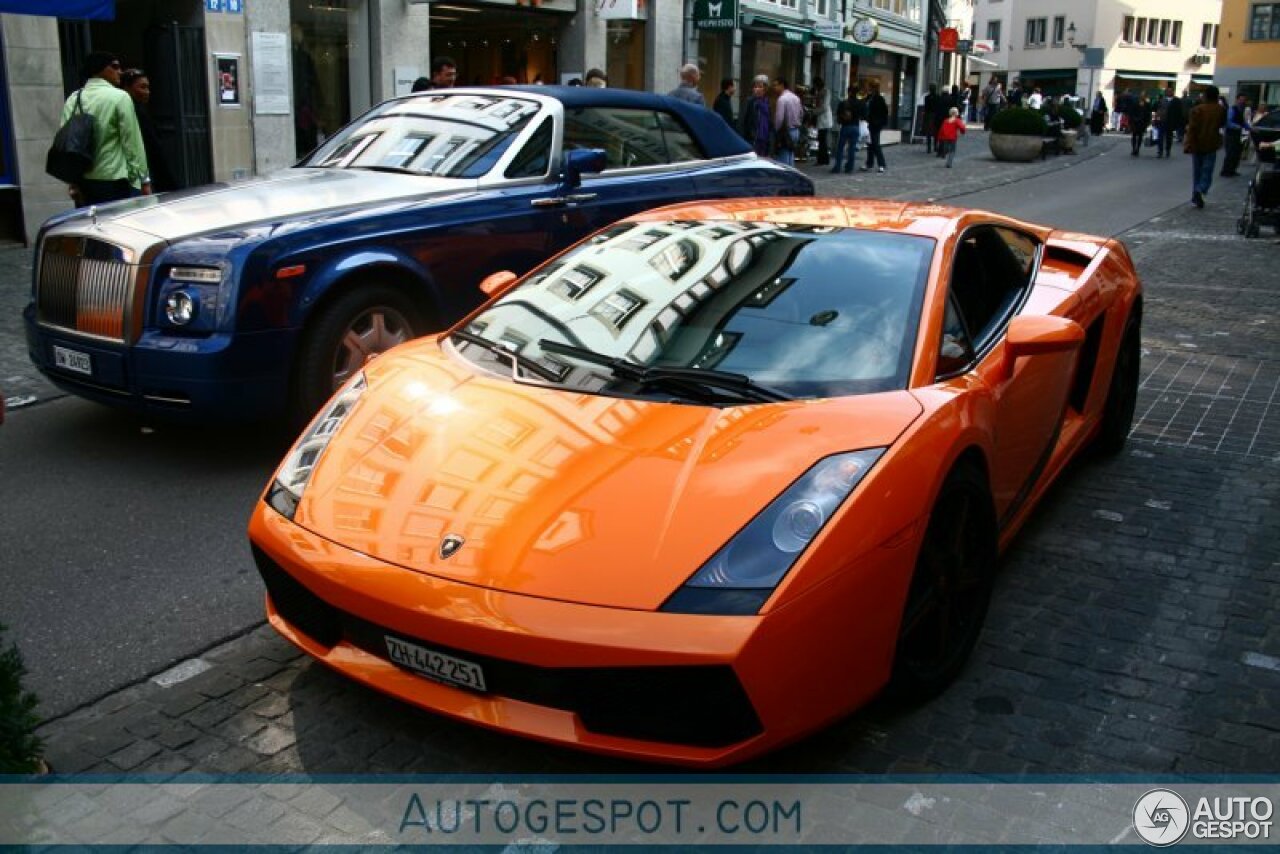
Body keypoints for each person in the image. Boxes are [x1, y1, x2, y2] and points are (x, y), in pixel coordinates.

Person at [58, 51, 150, 206]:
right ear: (99, 69)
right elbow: (132, 143)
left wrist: (73, 181)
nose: (120, 71)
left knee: (92, 227)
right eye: (115, 66)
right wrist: (143, 180)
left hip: (84, 182)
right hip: (114, 180)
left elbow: (66, 145)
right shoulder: (120, 97)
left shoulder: (74, 98)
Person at [119, 68, 178, 192]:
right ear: (127, 88)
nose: (147, 92)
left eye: (147, 87)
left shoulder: (141, 110)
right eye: (142, 87)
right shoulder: (132, 111)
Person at [1184, 85, 1227, 208]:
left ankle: (1196, 194)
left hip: (1197, 143)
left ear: (1206, 96)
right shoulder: (1220, 110)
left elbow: (1192, 129)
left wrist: (1188, 143)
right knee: (1207, 171)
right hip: (1212, 143)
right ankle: (1200, 190)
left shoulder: (1197, 109)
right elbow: (1222, 124)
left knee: (1197, 171)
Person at [772, 76, 802, 166]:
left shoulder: (782, 99)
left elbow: (779, 118)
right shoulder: (796, 98)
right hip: (795, 130)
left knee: (783, 159)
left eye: (776, 85)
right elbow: (801, 113)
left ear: (782, 85)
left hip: (786, 132)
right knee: (790, 156)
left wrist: (776, 131)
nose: (774, 88)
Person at [832, 84, 862, 174]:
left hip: (846, 127)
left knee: (840, 148)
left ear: (849, 92)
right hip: (855, 126)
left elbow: (838, 114)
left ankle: (837, 167)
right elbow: (864, 115)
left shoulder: (844, 103)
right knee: (852, 148)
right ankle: (849, 167)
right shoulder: (860, 103)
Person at [741, 75, 772, 157]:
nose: (757, 89)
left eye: (760, 87)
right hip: (753, 138)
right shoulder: (750, 101)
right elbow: (743, 121)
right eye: (755, 86)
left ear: (765, 89)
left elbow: (771, 121)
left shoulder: (768, 102)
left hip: (765, 138)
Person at [862, 80, 888, 172]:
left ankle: (882, 164)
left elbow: (884, 112)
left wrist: (880, 122)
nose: (869, 89)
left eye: (871, 87)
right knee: (870, 144)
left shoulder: (879, 99)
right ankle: (869, 163)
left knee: (875, 144)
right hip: (869, 123)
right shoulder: (869, 98)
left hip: (876, 124)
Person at [1221, 93, 1250, 177]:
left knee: (1236, 153)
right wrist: (1237, 126)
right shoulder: (1232, 109)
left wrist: (1249, 128)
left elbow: (1243, 122)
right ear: (1237, 100)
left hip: (1237, 134)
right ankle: (1226, 171)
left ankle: (1232, 170)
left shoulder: (1241, 109)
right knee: (1230, 153)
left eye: (1244, 100)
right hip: (1231, 134)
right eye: (1241, 100)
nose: (1242, 102)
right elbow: (1228, 122)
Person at [1155, 85, 1184, 159]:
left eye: (1170, 91)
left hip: (1171, 122)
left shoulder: (1177, 101)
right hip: (1161, 121)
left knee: (1169, 137)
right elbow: (1156, 111)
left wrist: (1178, 123)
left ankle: (1168, 150)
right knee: (1160, 137)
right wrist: (1154, 120)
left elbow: (1179, 112)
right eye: (1167, 91)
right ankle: (1160, 151)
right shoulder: (1161, 100)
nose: (1169, 92)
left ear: (1173, 92)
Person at [812, 78, 833, 166]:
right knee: (821, 140)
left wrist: (814, 112)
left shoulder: (826, 92)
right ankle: (823, 159)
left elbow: (824, 107)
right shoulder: (819, 92)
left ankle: (822, 159)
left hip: (824, 119)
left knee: (822, 140)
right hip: (821, 118)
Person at [922, 84, 940, 154]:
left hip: (929, 115)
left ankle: (929, 148)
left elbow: (926, 108)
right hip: (935, 115)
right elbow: (938, 107)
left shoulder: (927, 98)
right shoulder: (938, 97)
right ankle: (935, 146)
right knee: (936, 132)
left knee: (929, 133)